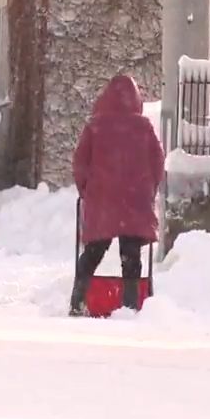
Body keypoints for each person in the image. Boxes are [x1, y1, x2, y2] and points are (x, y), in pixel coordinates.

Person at [70, 75, 165, 315]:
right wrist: (148, 189)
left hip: (102, 201)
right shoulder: (144, 128)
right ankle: (130, 305)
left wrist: (88, 191)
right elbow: (158, 163)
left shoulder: (95, 126)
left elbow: (80, 162)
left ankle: (78, 300)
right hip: (135, 201)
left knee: (93, 252)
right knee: (131, 256)